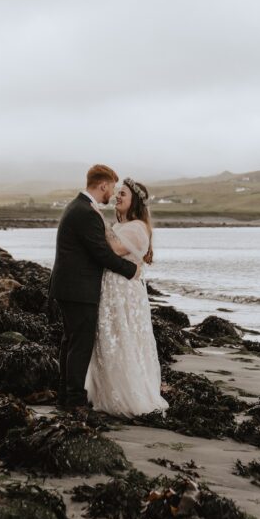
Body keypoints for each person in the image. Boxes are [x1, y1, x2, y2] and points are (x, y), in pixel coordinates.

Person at [49, 164, 139, 410]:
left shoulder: (77, 207)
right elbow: (100, 253)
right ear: (103, 185)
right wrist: (131, 270)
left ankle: (65, 396)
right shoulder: (86, 212)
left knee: (70, 342)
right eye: (111, 187)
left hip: (68, 287)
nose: (112, 193)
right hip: (78, 289)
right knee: (80, 344)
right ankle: (75, 400)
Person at [84, 177, 168, 416]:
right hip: (111, 291)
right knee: (108, 338)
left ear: (134, 203)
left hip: (125, 294)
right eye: (117, 192)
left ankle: (129, 396)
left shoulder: (139, 227)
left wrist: (99, 220)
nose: (117, 197)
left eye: (123, 194)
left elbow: (116, 249)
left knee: (124, 337)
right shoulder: (121, 226)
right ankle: (106, 392)